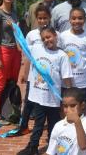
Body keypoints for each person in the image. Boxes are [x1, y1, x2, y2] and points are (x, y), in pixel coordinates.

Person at [17, 26, 73, 155]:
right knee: (38, 124)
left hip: (53, 99)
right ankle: (32, 147)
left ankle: (53, 148)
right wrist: (15, 29)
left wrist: (68, 98)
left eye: (49, 37)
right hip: (38, 97)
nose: (47, 40)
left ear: (55, 36)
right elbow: (22, 46)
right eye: (43, 39)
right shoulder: (36, 49)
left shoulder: (62, 56)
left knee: (54, 125)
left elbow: (66, 78)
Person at [17, 3, 52, 135]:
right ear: (36, 19)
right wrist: (24, 74)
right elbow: (27, 56)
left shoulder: (54, 33)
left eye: (45, 18)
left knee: (47, 101)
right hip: (33, 75)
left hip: (48, 75)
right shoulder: (31, 35)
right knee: (29, 100)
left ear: (49, 18)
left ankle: (50, 127)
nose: (42, 21)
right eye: (40, 18)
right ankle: (23, 125)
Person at [45, 87, 86, 155]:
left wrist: (77, 121)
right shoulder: (58, 125)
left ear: (82, 105)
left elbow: (83, 146)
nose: (68, 110)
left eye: (73, 106)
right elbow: (50, 152)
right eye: (65, 106)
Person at [59, 7, 86, 102]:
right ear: (69, 20)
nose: (77, 21)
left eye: (80, 18)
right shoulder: (63, 36)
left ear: (85, 19)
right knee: (67, 108)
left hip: (84, 82)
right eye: (74, 18)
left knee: (83, 107)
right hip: (66, 82)